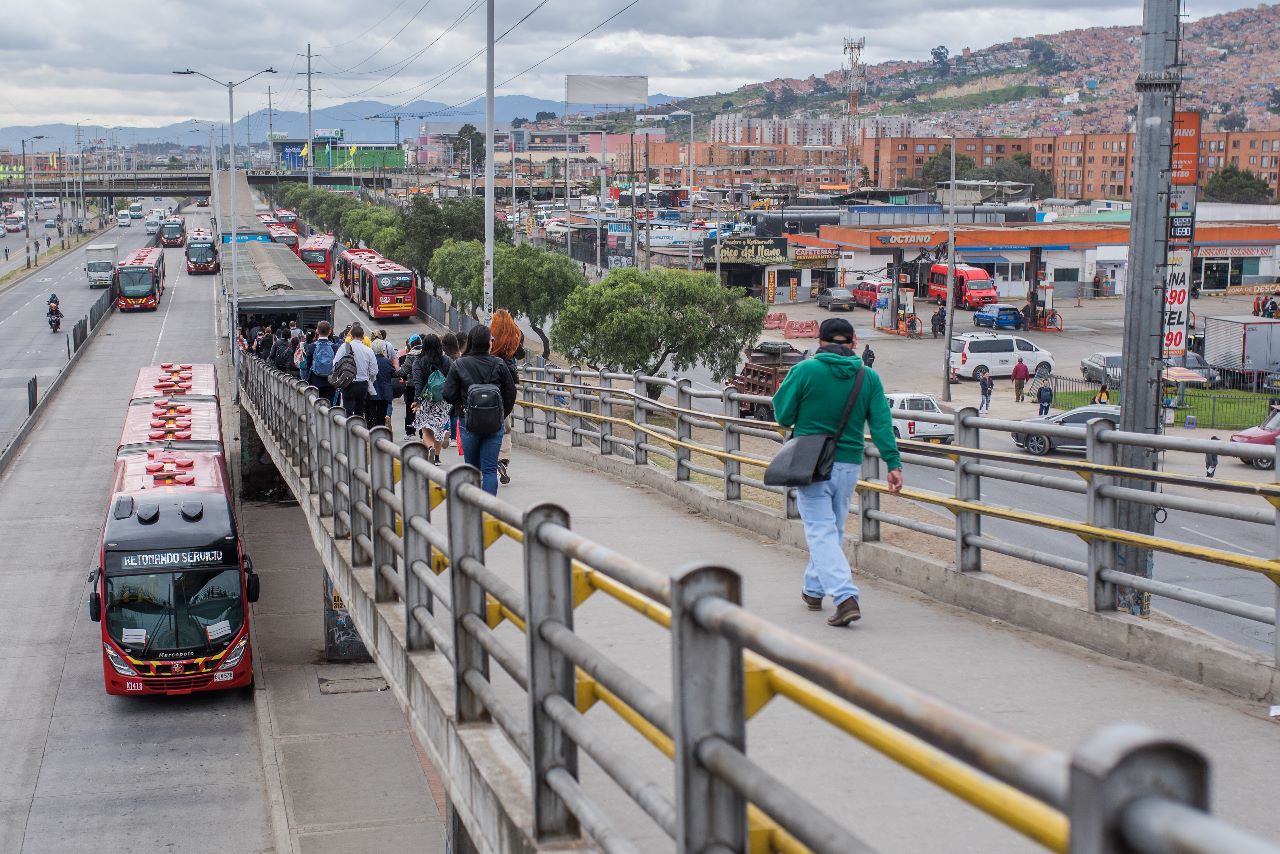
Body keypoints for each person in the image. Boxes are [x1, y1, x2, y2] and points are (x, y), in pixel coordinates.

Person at [772, 317, 902, 627]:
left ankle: (845, 597)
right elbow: (882, 424)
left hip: (812, 462)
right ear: (854, 342)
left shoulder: (805, 370)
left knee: (819, 530)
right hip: (848, 465)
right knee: (832, 531)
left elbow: (783, 414)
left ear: (819, 341)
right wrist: (893, 464)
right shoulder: (868, 378)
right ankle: (813, 590)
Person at [443, 325, 517, 495]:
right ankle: (489, 514)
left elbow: (447, 394)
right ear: (488, 343)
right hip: (494, 424)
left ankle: (474, 510)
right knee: (490, 470)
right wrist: (501, 413)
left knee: (472, 469)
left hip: (468, 422)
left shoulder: (459, 364)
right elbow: (511, 393)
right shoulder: (498, 364)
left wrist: (462, 405)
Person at [489, 309, 525, 485]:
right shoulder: (514, 334)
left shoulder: (490, 334)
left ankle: (490, 455)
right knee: (505, 421)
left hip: (492, 378)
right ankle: (503, 458)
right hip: (509, 378)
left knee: (489, 417)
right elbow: (521, 354)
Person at [412, 334, 454, 463]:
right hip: (442, 400)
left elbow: (418, 383)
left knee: (426, 429)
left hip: (426, 399)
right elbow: (452, 379)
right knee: (439, 429)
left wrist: (416, 400)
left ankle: (430, 447)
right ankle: (436, 457)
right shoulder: (446, 360)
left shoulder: (418, 361)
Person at [333, 321, 377, 420]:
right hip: (363, 384)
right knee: (360, 410)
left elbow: (335, 363)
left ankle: (348, 431)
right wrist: (369, 379)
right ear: (363, 336)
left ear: (351, 335)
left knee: (347, 409)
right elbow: (374, 371)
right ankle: (359, 430)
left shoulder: (345, 347)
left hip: (348, 382)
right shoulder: (368, 350)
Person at [305, 321, 339, 404]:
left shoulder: (311, 346)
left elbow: (308, 365)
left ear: (317, 331)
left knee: (316, 404)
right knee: (329, 405)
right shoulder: (335, 347)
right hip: (330, 382)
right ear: (330, 331)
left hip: (315, 380)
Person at [366, 338, 396, 429]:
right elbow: (392, 373)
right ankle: (380, 432)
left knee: (371, 415)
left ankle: (371, 432)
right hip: (384, 392)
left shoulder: (369, 360)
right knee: (381, 415)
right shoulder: (386, 361)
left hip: (371, 391)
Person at [397, 335, 423, 436]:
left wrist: (395, 373)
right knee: (422, 409)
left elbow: (404, 370)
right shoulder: (426, 353)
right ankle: (423, 433)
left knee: (410, 408)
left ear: (411, 344)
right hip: (425, 387)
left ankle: (410, 432)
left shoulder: (411, 354)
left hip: (412, 385)